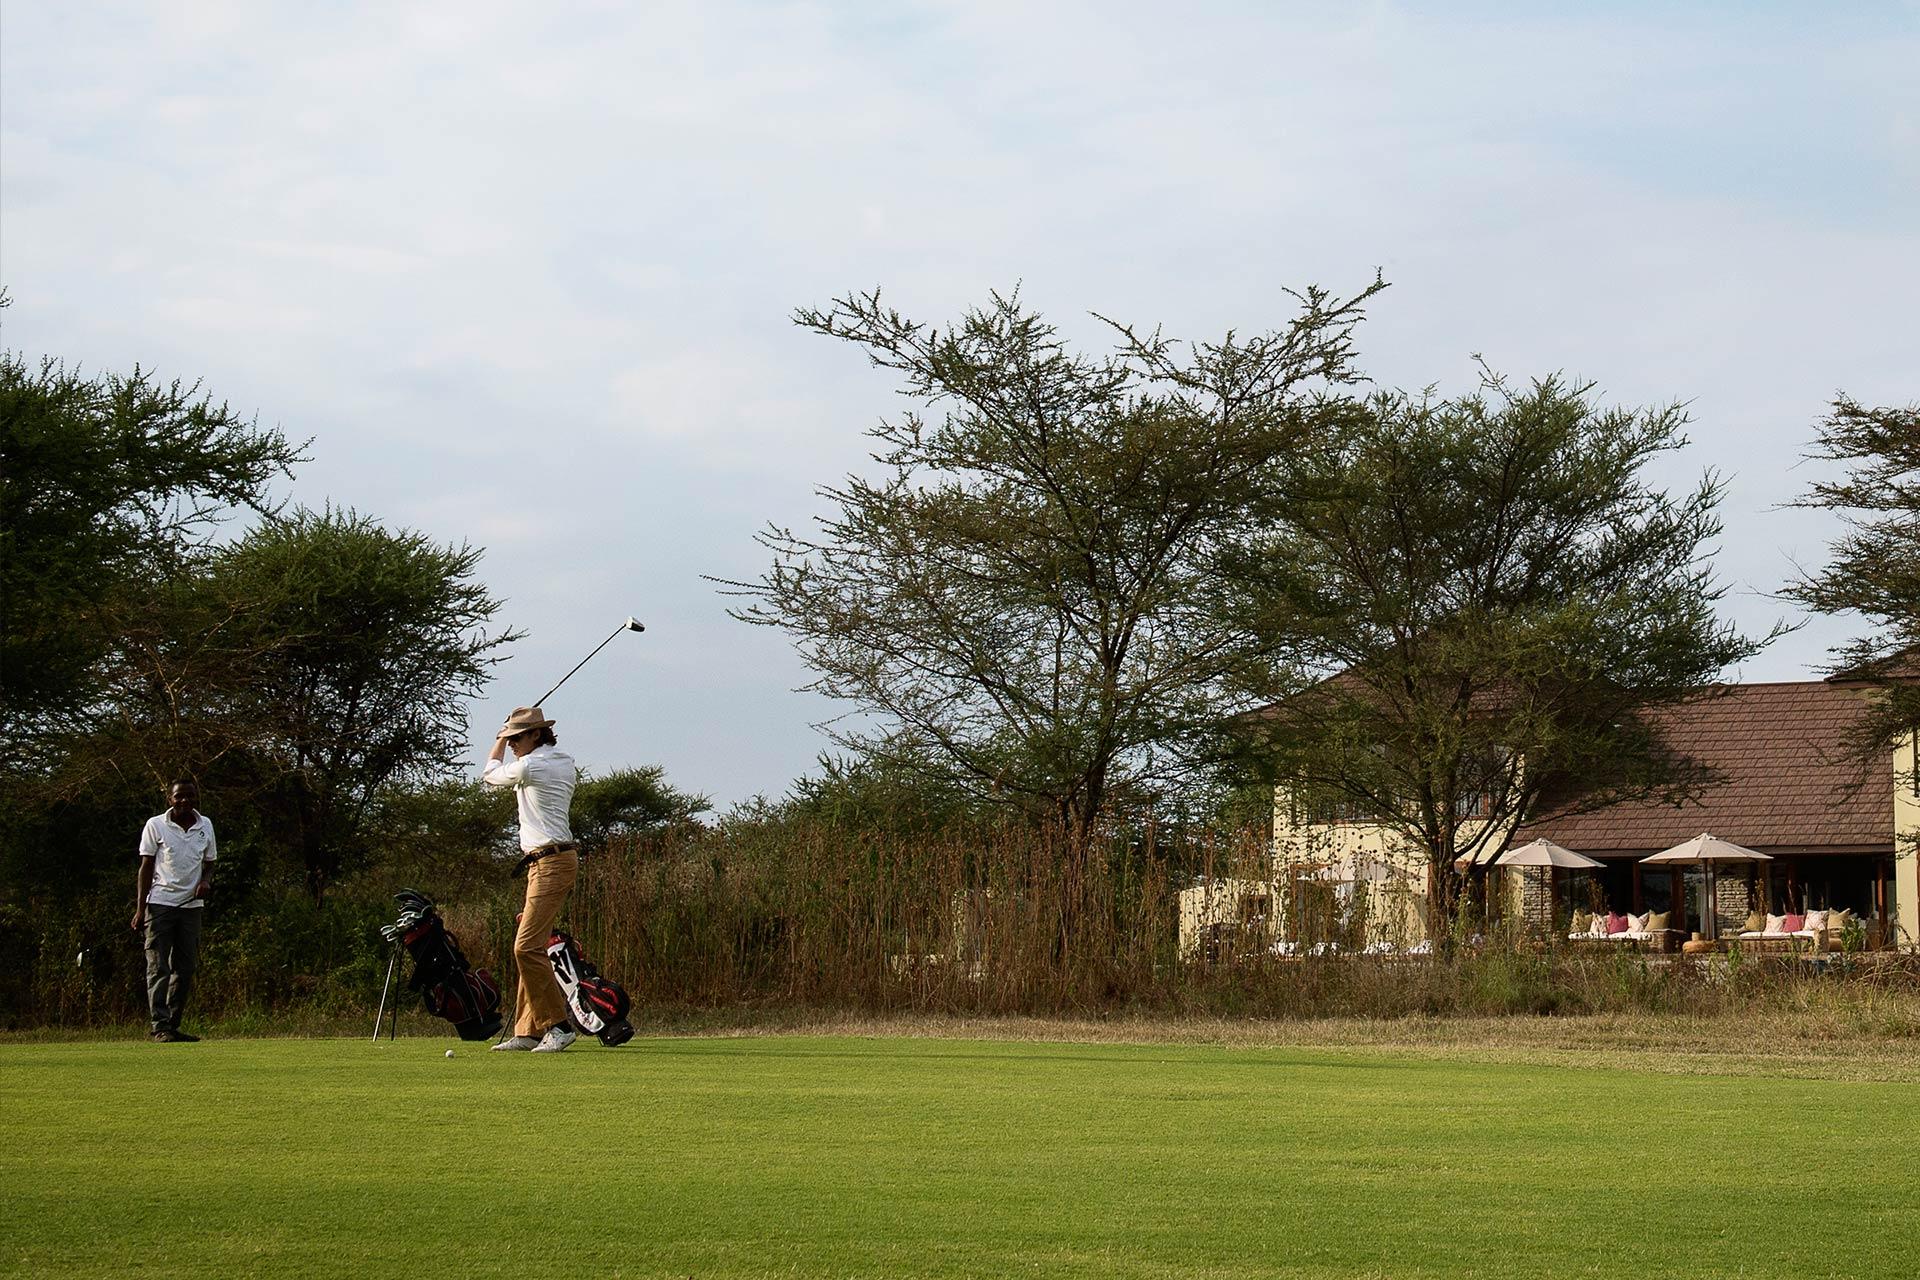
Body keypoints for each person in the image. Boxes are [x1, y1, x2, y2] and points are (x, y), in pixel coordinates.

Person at [483, 705, 581, 1052]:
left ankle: (558, 1026)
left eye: (516, 738)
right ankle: (527, 1031)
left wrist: (495, 740)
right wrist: (509, 734)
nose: (511, 744)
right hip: (546, 862)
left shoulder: (534, 765)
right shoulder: (560, 759)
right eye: (509, 739)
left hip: (551, 863)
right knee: (532, 945)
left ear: (536, 734)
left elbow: (490, 776)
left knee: (525, 947)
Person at [132, 778, 215, 1043]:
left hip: (191, 907)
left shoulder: (206, 825)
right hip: (159, 905)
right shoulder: (155, 825)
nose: (185, 801)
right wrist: (140, 908)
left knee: (186, 967)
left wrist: (205, 881)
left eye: (190, 796)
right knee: (158, 968)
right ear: (170, 799)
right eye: (179, 796)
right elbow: (146, 867)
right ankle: (160, 1026)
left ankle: (173, 1025)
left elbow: (210, 862)